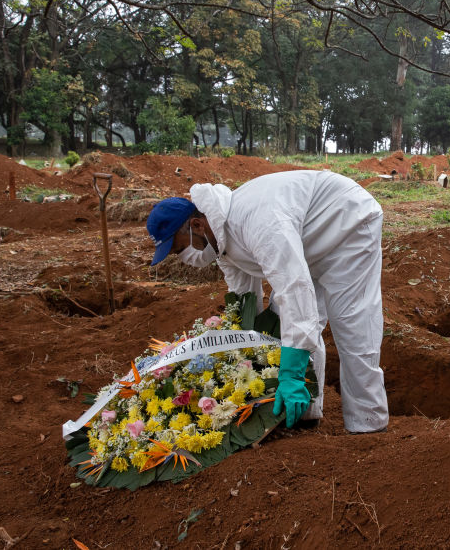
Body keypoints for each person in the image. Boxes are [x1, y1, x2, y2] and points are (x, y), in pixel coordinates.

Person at [145, 170, 388, 433]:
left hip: (347, 223)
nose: (184, 258)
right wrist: (241, 354)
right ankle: (306, 413)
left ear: (196, 225)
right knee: (282, 318)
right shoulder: (221, 241)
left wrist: (291, 373)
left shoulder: (257, 223)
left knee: (351, 323)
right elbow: (244, 299)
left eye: (180, 249)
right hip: (307, 240)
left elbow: (294, 288)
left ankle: (368, 422)